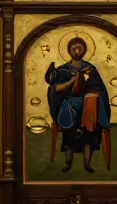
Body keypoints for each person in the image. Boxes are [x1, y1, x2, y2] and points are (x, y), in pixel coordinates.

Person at [46, 37, 111, 173]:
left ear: (84, 50)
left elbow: (100, 89)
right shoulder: (62, 70)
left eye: (79, 48)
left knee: (89, 130)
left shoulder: (90, 69)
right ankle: (68, 163)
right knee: (70, 128)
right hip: (69, 107)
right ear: (69, 50)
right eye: (74, 48)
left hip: (88, 108)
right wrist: (71, 82)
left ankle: (87, 164)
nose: (76, 51)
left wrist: (94, 94)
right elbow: (53, 89)